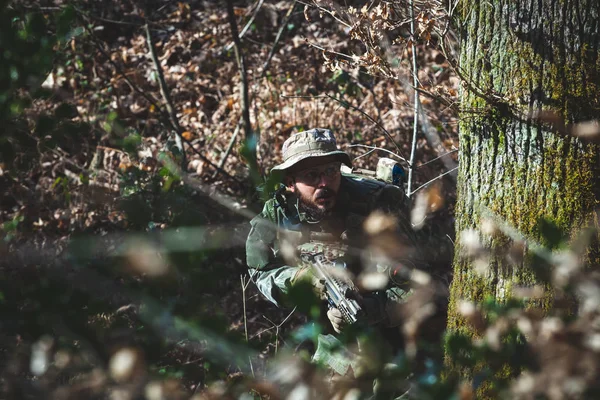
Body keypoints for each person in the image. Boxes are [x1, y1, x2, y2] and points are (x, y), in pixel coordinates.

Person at [245, 128, 426, 377]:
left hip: (399, 337)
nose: (324, 183)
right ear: (289, 183)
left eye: (331, 171)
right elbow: (260, 270)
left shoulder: (376, 203)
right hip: (328, 342)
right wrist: (301, 280)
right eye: (311, 175)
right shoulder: (277, 213)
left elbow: (418, 281)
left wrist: (374, 309)